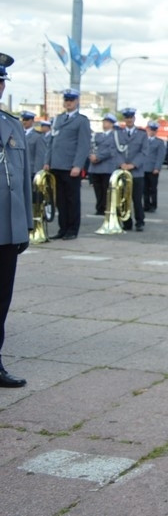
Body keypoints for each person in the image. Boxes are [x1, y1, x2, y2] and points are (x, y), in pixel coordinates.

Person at [0, 53, 32, 388]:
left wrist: (25, 223)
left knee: (1, 300)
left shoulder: (11, 125)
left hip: (7, 230)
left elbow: (23, 179)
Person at [43, 88, 91, 240]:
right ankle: (62, 228)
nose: (68, 103)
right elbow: (51, 142)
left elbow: (83, 145)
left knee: (72, 199)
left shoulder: (81, 120)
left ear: (77, 101)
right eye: (66, 100)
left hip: (71, 167)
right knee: (60, 200)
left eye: (71, 100)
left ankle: (72, 229)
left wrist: (78, 165)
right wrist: (47, 161)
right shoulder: (58, 119)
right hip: (56, 165)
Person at [117, 108, 146, 231]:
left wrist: (133, 164)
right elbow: (114, 150)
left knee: (137, 199)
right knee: (123, 198)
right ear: (124, 119)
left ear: (134, 118)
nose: (129, 120)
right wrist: (121, 163)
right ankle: (126, 222)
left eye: (131, 117)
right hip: (122, 171)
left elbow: (144, 152)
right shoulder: (118, 134)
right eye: (126, 118)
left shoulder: (142, 134)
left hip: (136, 172)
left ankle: (140, 222)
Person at [88, 114, 120, 215]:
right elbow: (90, 146)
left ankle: (106, 206)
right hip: (95, 167)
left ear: (111, 124)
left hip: (107, 166)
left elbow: (111, 150)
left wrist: (98, 157)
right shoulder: (97, 135)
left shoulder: (115, 136)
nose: (104, 124)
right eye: (103, 122)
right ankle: (99, 207)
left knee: (106, 188)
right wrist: (91, 155)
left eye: (106, 122)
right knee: (97, 188)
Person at [142, 120, 167, 212]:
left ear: (156, 131)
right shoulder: (143, 141)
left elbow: (160, 156)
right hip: (143, 168)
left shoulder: (159, 142)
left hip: (153, 169)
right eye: (150, 129)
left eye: (154, 130)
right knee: (144, 189)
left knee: (153, 189)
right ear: (147, 129)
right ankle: (146, 205)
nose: (152, 131)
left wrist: (157, 167)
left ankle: (153, 206)